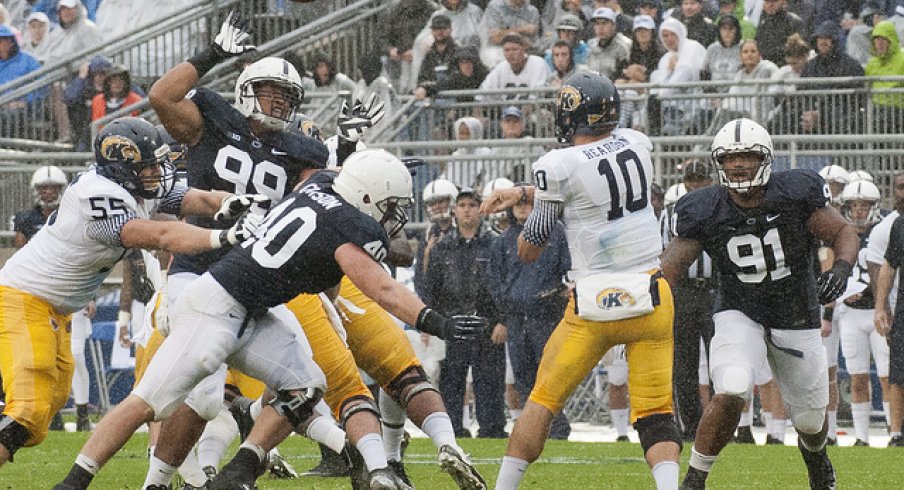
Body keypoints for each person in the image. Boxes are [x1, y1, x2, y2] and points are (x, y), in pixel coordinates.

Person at [54, 148, 485, 490]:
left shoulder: (321, 183)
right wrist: (436, 322)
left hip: (251, 312)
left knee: (307, 384)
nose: (394, 215)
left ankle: (240, 470)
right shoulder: (351, 228)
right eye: (390, 205)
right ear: (368, 197)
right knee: (148, 401)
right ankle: (75, 480)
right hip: (215, 307)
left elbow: (335, 178)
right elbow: (384, 289)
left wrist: (361, 157)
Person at [0, 116, 261, 472]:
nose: (157, 172)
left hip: (54, 307)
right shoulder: (98, 196)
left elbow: (190, 197)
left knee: (43, 415)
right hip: (23, 297)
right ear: (121, 167)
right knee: (27, 412)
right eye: (148, 166)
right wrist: (223, 237)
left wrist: (227, 202)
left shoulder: (135, 185)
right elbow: (161, 236)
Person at [486, 72, 682, 489]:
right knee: (655, 411)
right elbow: (597, 183)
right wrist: (525, 192)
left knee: (541, 401)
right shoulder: (638, 142)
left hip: (595, 303)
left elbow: (532, 245)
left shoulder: (555, 165)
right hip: (651, 293)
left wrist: (523, 212)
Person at [661, 118, 859, 489]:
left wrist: (843, 267)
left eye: (747, 156)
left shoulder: (794, 193)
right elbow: (671, 267)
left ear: (765, 158)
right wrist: (651, 310)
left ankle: (816, 460)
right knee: (733, 386)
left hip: (796, 313)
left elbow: (843, 230)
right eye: (730, 157)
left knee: (809, 422)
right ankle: (695, 479)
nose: (737, 165)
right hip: (740, 309)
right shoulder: (704, 207)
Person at [489, 181, 571, 440]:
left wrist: (556, 295)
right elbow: (495, 281)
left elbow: (567, 271)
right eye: (519, 203)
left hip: (547, 314)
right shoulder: (502, 242)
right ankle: (534, 426)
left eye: (528, 203)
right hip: (517, 317)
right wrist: (505, 311)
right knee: (523, 375)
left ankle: (557, 426)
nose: (523, 208)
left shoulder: (556, 233)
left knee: (549, 373)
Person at [423, 188, 507, 439]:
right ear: (455, 211)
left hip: (486, 323)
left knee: (489, 381)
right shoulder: (442, 247)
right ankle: (452, 430)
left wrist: (502, 321)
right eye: (462, 205)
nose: (467, 210)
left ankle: (491, 429)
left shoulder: (495, 244)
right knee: (451, 382)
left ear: (480, 210)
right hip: (453, 323)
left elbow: (504, 285)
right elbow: (432, 288)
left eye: (472, 205)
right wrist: (433, 324)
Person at [836, 180, 890, 447]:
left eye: (864, 205)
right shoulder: (840, 233)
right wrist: (844, 293)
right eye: (854, 206)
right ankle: (861, 437)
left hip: (876, 312)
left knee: (886, 375)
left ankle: (895, 432)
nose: (858, 211)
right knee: (857, 377)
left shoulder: (881, 233)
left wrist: (869, 293)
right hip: (850, 314)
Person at [666, 161, 716, 442]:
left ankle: (722, 426)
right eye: (691, 180)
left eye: (701, 179)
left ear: (710, 181)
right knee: (684, 364)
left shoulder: (720, 209)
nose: (695, 185)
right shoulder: (670, 216)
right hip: (683, 292)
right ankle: (692, 426)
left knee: (719, 361)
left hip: (712, 290)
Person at [869, 172, 904, 447]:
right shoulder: (899, 226)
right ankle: (896, 433)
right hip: (903, 308)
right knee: (898, 372)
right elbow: (888, 266)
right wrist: (880, 307)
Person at [754, 0, 804, 67]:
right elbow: (760, 46)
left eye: (774, 1)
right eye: (767, 2)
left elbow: (798, 51)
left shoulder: (794, 21)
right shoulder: (763, 22)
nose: (770, 5)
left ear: (783, 1)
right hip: (765, 67)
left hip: (787, 67)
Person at [586, 7, 631, 80]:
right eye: (597, 24)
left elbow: (625, 73)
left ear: (613, 25)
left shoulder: (624, 44)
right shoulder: (590, 45)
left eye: (604, 23)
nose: (600, 28)